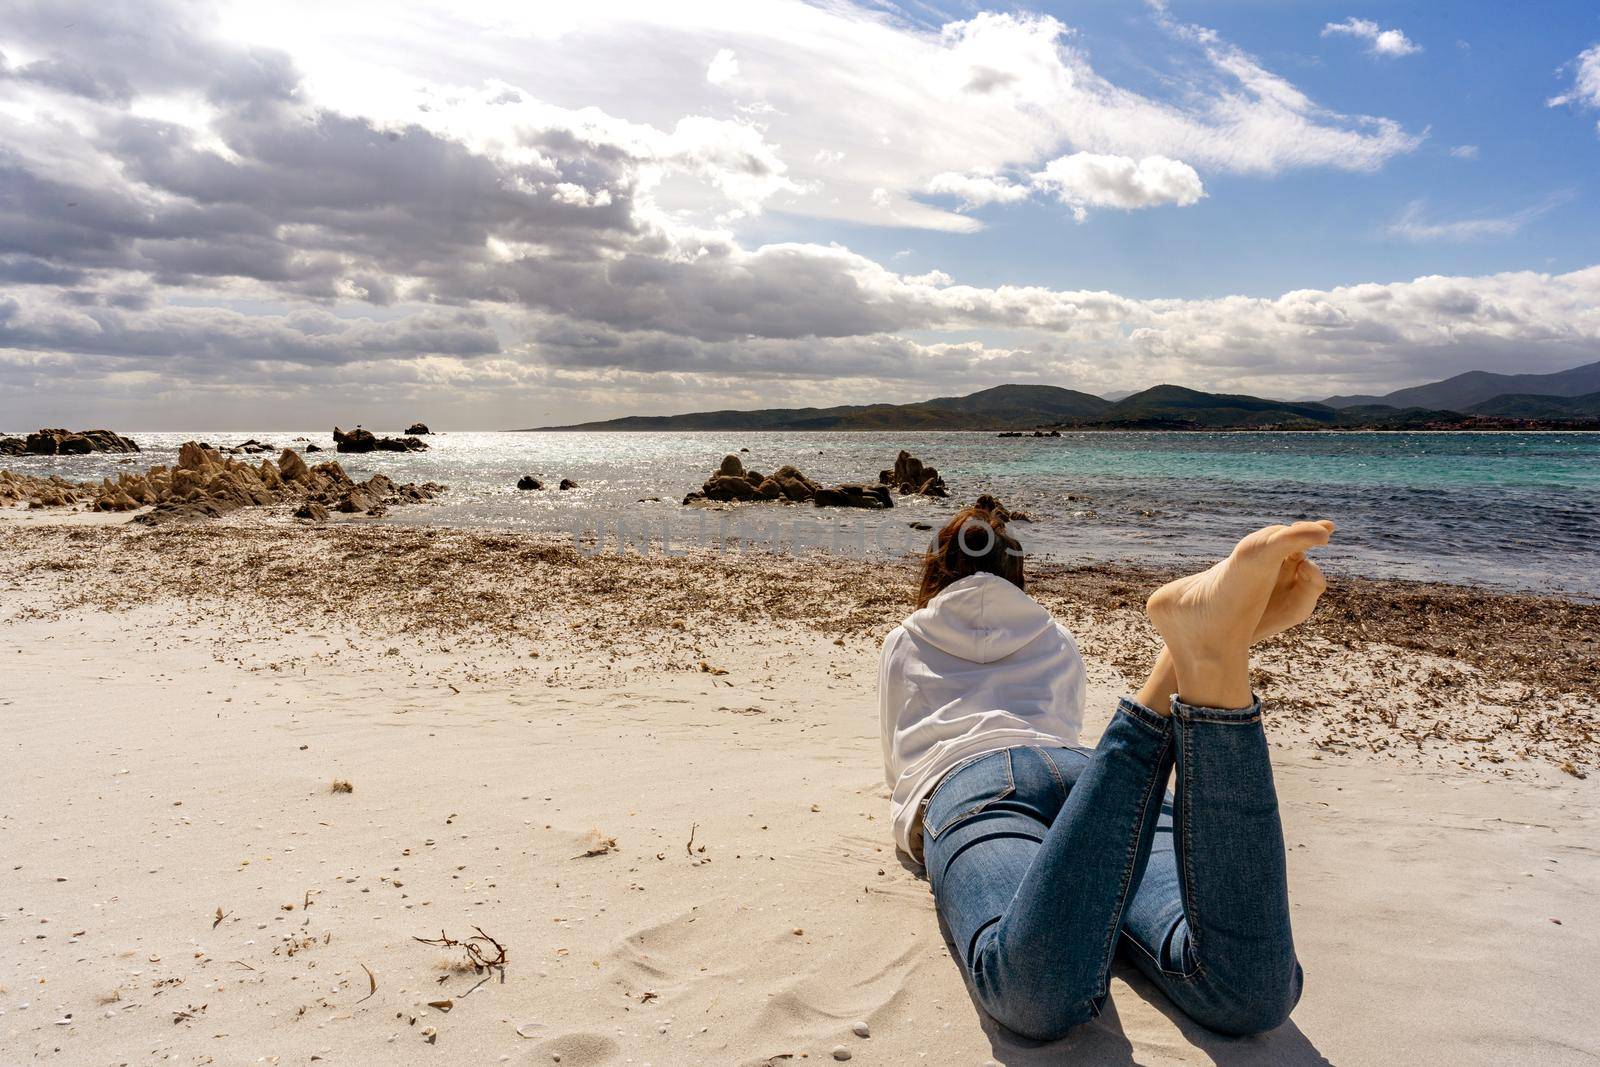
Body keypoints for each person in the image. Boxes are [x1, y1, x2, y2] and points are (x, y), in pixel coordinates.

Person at [879, 500, 1333, 1040]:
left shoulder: (906, 637)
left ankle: (1186, 660)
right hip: (1081, 768)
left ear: (935, 569)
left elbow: (900, 756)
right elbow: (1064, 723)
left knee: (1033, 992)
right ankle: (1194, 657)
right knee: (1249, 996)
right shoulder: (1053, 635)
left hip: (971, 782)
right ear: (1016, 571)